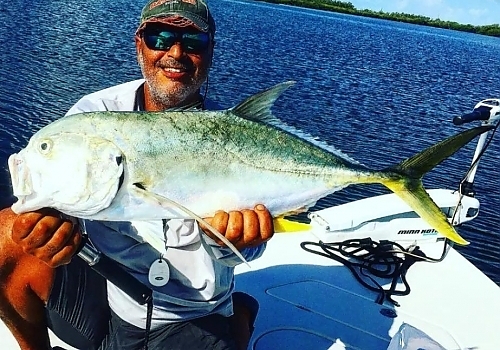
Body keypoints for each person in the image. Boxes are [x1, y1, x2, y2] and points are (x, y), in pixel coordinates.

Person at [0, 0, 274, 349]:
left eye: (193, 42)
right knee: (6, 234)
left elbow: (249, 243)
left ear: (210, 52)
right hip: (110, 289)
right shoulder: (93, 118)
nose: (175, 52)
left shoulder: (238, 138)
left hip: (189, 309)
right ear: (139, 44)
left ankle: (237, 316)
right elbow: (65, 195)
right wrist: (49, 229)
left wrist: (239, 243)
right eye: (160, 37)